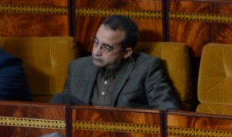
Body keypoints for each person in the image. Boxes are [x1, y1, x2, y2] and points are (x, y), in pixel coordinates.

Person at [50, 15, 180, 111]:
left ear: (127, 53)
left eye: (106, 48)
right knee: (61, 100)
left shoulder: (147, 68)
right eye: (96, 42)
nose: (96, 52)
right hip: (83, 135)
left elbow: (168, 110)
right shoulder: (77, 68)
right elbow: (61, 114)